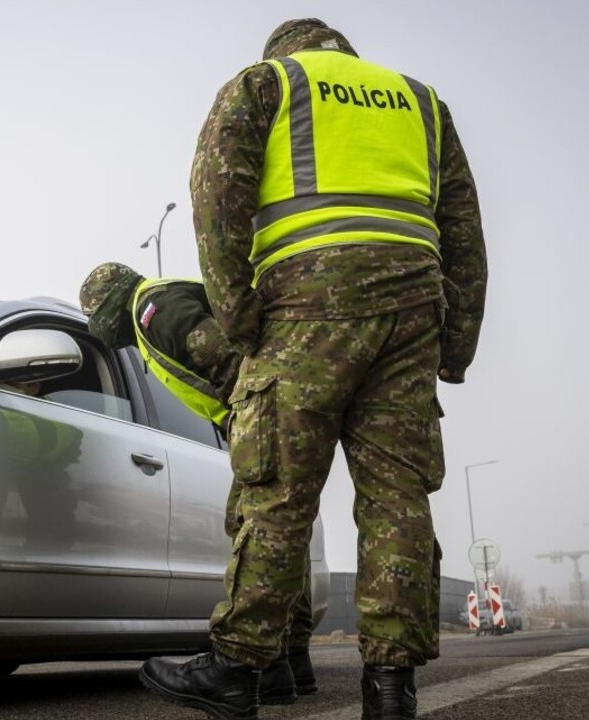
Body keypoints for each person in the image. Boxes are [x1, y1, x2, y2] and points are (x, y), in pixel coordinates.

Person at [138, 18, 487, 720]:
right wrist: (459, 341)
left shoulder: (268, 83)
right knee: (398, 498)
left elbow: (217, 193)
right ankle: (391, 689)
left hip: (306, 302)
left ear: (284, 51)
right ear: (347, 57)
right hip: (412, 307)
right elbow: (463, 229)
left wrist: (237, 312)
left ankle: (237, 668)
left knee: (278, 489)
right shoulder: (421, 101)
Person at [79, 261, 317, 704]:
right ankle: (288, 661)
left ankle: (265, 661)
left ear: (109, 306)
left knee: (254, 526)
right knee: (282, 534)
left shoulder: (153, 309)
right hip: (287, 404)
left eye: (97, 321)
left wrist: (250, 417)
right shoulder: (163, 300)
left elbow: (223, 357)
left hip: (268, 410)